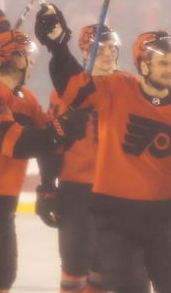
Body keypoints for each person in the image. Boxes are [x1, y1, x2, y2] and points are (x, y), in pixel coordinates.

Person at [34, 4, 171, 293]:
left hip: (163, 217)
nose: (170, 70)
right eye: (163, 63)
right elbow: (75, 89)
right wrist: (58, 47)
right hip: (115, 218)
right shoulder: (117, 88)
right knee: (131, 286)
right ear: (143, 64)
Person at [0, 5, 89, 293]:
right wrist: (58, 131)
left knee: (1, 277)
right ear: (15, 58)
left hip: (5, 203)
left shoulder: (25, 96)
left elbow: (50, 143)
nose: (32, 62)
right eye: (28, 55)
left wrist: (72, 122)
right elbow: (13, 142)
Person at [38, 24, 121, 293]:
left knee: (109, 268)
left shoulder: (129, 88)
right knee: (74, 268)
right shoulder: (63, 93)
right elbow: (51, 146)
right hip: (76, 188)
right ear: (86, 52)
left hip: (116, 189)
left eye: (112, 48)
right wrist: (47, 187)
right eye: (101, 48)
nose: (108, 54)